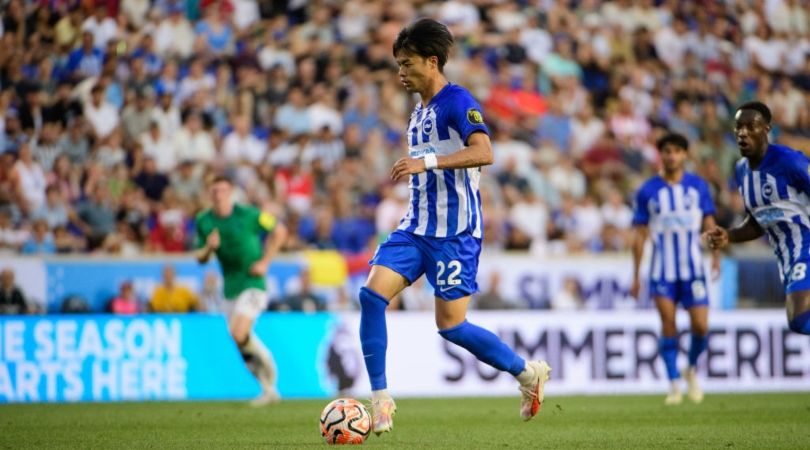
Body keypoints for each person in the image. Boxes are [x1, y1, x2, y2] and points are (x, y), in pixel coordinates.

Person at [359, 19, 551, 436]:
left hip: (456, 235)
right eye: (398, 64)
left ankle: (526, 374)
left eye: (407, 64)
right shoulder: (419, 111)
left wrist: (425, 162)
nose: (400, 73)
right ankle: (380, 399)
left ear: (432, 62)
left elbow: (484, 151)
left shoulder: (456, 100)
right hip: (415, 228)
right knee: (371, 296)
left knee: (451, 327)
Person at [704, 102, 810, 336]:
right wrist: (729, 235)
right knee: (799, 321)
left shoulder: (790, 162)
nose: (743, 132)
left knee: (799, 317)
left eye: (751, 126)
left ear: (766, 129)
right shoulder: (741, 170)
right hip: (787, 257)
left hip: (806, 246)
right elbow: (759, 220)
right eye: (738, 127)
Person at [630, 132, 720, 405]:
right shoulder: (648, 190)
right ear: (661, 155)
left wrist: (716, 257)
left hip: (693, 268)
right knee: (668, 324)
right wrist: (635, 275)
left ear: (685, 155)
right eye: (666, 151)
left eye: (677, 151)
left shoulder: (698, 187)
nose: (671, 156)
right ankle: (673, 384)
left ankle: (690, 368)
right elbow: (640, 235)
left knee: (700, 325)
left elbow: (709, 223)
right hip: (662, 271)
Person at [195, 176, 289, 406]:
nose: (218, 194)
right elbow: (200, 258)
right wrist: (209, 247)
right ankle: (267, 389)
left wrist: (265, 261)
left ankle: (267, 362)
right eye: (214, 190)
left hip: (253, 281)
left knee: (238, 333)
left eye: (223, 190)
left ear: (231, 193)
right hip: (229, 286)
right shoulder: (204, 221)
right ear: (210, 194)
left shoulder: (250, 214)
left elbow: (279, 231)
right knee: (239, 339)